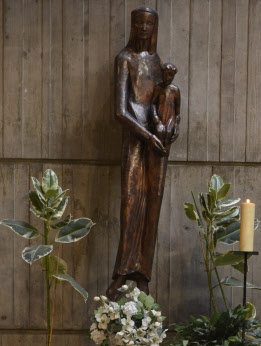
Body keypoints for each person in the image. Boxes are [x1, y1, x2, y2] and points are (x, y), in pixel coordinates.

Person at [108, 7, 174, 300]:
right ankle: (123, 270)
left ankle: (143, 272)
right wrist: (147, 136)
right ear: (133, 26)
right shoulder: (125, 59)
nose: (144, 27)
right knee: (131, 204)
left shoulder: (157, 61)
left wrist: (170, 129)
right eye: (139, 23)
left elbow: (163, 99)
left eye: (149, 23)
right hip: (136, 141)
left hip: (157, 143)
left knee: (152, 204)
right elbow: (121, 111)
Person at [150, 63, 181, 153]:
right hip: (160, 117)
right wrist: (156, 120)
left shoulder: (175, 90)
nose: (168, 78)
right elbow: (152, 104)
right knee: (159, 133)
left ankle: (163, 158)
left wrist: (176, 126)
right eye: (165, 74)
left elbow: (177, 111)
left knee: (168, 134)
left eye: (171, 75)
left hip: (170, 119)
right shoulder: (158, 88)